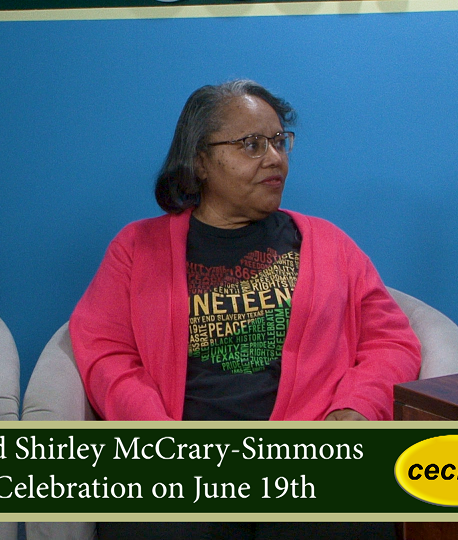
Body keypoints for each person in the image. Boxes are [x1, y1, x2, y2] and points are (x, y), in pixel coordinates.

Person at [69, 79, 421, 540]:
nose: (274, 158)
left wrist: (354, 410)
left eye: (279, 141)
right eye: (250, 144)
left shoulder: (330, 245)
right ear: (200, 161)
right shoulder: (137, 248)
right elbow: (105, 349)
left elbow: (391, 341)